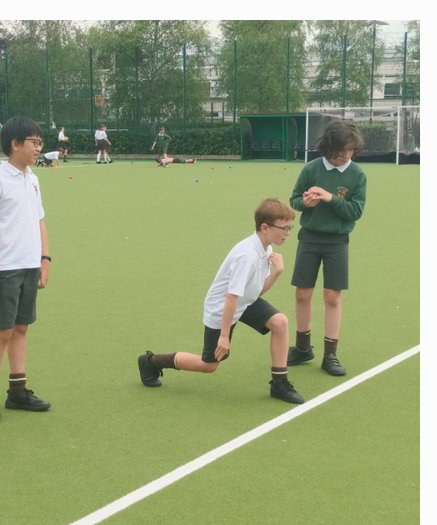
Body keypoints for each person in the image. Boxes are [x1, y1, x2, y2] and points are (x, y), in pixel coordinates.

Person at [137, 198, 304, 405]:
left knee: (280, 322)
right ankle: (152, 362)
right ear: (265, 227)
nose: (288, 233)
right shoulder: (248, 255)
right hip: (223, 308)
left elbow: (255, 292)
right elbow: (231, 297)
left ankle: (279, 384)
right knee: (209, 365)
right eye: (285, 228)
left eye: (289, 228)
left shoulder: (266, 248)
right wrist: (224, 336)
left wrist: (277, 272)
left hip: (244, 302)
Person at [0, 116, 53, 425]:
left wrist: (45, 259)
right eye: (34, 142)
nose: (38, 148)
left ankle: (17, 391)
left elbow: (39, 220)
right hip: (5, 268)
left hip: (30, 264)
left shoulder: (33, 178)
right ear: (15, 144)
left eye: (39, 142)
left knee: (21, 328)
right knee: (3, 330)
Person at [287, 120, 367, 377]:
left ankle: (330, 354)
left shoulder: (357, 175)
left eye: (350, 150)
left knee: (332, 297)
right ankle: (302, 348)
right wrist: (306, 203)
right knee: (302, 294)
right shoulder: (311, 168)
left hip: (337, 242)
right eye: (342, 150)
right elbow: (294, 200)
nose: (347, 155)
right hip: (309, 238)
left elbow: (355, 211)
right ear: (329, 147)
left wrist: (330, 198)